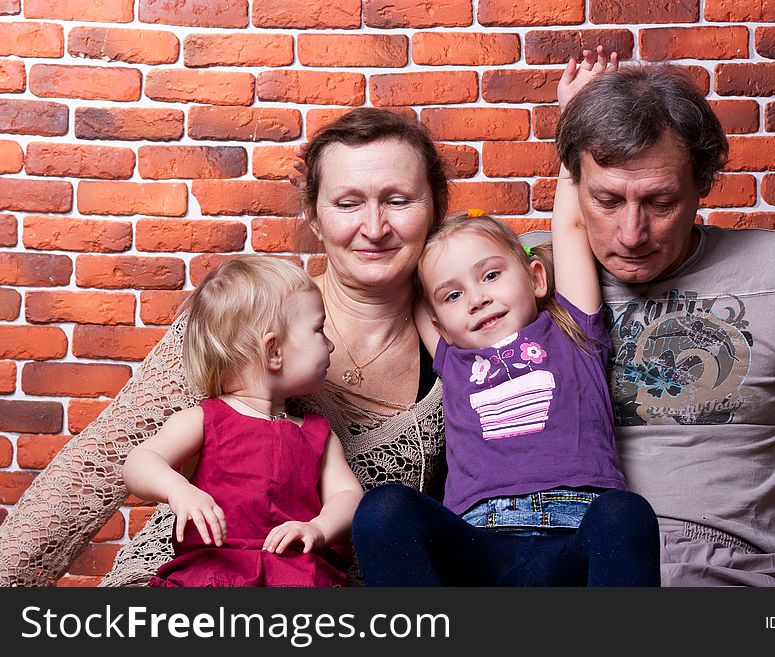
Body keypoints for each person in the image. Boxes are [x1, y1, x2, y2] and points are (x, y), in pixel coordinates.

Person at [0, 108, 448, 586]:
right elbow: (91, 476)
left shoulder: (473, 348)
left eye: (399, 201)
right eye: (347, 203)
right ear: (314, 218)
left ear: (435, 209)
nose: (375, 227)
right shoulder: (242, 322)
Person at [548, 62, 775, 586]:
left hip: (739, 580)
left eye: (661, 202)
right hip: (589, 573)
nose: (631, 233)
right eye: (607, 201)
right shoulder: (533, 288)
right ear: (576, 185)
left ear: (702, 185)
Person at [351, 51, 661, 587]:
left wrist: (579, 115)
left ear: (537, 279)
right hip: (481, 551)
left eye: (491, 275)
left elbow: (569, 227)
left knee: (627, 514)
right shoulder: (452, 354)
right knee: (381, 511)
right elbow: (406, 270)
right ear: (437, 321)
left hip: (576, 541)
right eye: (452, 295)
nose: (475, 298)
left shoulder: (572, 329)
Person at [122, 256, 362, 587]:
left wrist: (319, 528)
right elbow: (139, 461)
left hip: (296, 575)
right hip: (214, 574)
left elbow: (348, 495)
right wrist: (178, 490)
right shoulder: (205, 420)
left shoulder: (318, 433)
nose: (331, 344)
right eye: (319, 329)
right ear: (273, 350)